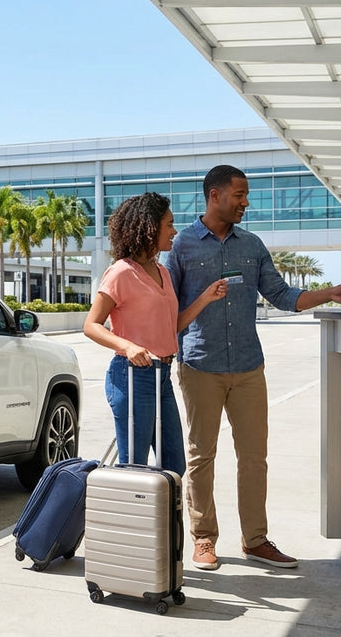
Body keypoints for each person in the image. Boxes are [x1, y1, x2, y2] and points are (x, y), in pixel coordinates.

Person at [167, 165, 341, 571]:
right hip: (200, 365)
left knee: (254, 457)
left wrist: (331, 293)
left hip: (249, 367)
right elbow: (170, 311)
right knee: (202, 456)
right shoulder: (182, 246)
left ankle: (255, 540)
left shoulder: (252, 245)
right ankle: (203, 538)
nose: (246, 202)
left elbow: (283, 295)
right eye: (239, 194)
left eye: (246, 194)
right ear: (214, 195)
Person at [83, 192, 227, 475]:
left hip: (162, 375)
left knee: (174, 467)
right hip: (132, 376)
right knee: (134, 469)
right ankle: (133, 519)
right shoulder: (120, 272)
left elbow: (170, 326)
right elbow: (91, 325)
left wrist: (205, 298)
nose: (174, 231)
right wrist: (128, 346)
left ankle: (163, 520)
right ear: (149, 227)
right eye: (169, 225)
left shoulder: (162, 270)